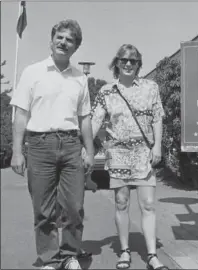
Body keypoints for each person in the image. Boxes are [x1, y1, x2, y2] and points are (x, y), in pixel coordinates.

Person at [10, 19, 94, 270]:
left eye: (70, 40)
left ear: (75, 47)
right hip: (39, 145)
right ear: (52, 39)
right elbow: (21, 114)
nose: (63, 42)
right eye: (60, 37)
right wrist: (17, 151)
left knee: (74, 207)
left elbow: (85, 118)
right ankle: (49, 258)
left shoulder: (80, 78)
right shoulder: (32, 72)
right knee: (43, 208)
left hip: (70, 144)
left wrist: (89, 151)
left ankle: (69, 255)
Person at [90, 44, 169, 270]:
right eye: (123, 60)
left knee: (148, 204)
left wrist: (157, 148)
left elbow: (157, 118)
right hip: (118, 154)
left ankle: (152, 255)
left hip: (144, 153)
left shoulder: (150, 87)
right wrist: (85, 147)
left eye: (132, 61)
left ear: (138, 64)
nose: (127, 64)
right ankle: (124, 252)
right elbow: (95, 120)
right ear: (116, 63)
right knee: (121, 202)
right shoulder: (106, 91)